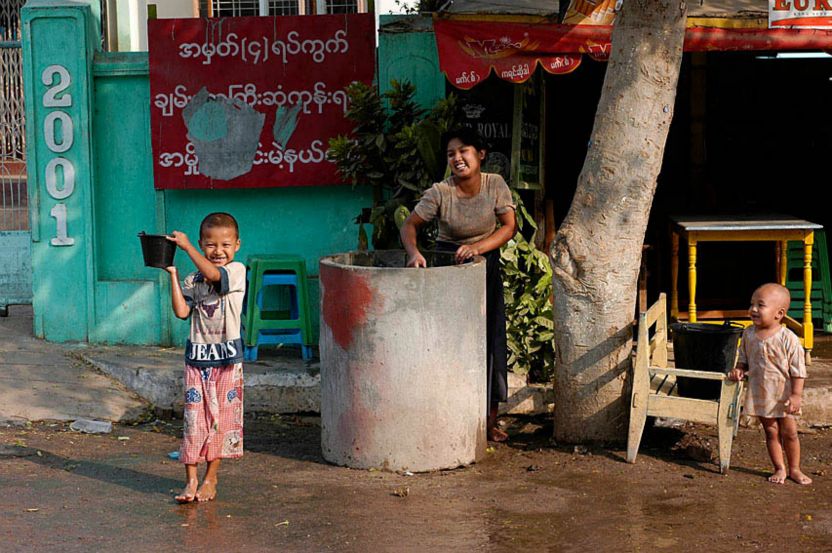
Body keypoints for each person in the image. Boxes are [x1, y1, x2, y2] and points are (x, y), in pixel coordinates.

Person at [400, 128, 517, 442]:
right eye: (451, 153)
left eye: (464, 151)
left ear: (480, 154)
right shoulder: (440, 192)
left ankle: (489, 421)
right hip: (448, 270)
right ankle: (444, 416)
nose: (457, 158)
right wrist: (414, 253)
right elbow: (410, 225)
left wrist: (479, 248)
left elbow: (509, 227)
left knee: (490, 340)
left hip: (485, 267)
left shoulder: (495, 184)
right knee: (447, 345)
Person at [165, 212, 247, 502]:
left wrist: (187, 248)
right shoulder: (193, 278)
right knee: (193, 423)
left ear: (236, 245)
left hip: (227, 362)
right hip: (197, 361)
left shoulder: (237, 271)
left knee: (221, 423)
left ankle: (211, 480)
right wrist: (174, 276)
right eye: (210, 245)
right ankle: (190, 482)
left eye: (225, 244)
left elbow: (215, 276)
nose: (218, 251)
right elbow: (181, 312)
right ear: (203, 244)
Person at [728, 283, 811, 485]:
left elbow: (798, 371)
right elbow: (743, 359)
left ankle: (795, 469)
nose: (753, 309)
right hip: (762, 393)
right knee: (771, 432)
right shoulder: (748, 334)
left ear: (779, 313)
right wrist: (739, 369)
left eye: (761, 305)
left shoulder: (788, 338)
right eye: (752, 304)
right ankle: (779, 468)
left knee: (790, 432)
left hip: (784, 395)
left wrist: (796, 395)